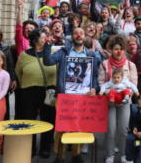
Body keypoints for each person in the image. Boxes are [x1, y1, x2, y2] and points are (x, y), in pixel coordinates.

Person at [43, 27, 102, 163]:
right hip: (64, 96)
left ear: (85, 36)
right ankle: (60, 156)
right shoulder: (64, 52)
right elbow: (48, 62)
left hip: (83, 96)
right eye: (76, 33)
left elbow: (94, 76)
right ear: (72, 36)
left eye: (81, 33)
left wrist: (94, 88)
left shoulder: (91, 55)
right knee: (62, 126)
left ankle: (76, 154)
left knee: (79, 126)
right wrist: (47, 45)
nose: (79, 35)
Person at [15, 29, 56, 158]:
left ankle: (45, 147)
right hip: (29, 91)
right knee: (29, 119)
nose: (46, 39)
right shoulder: (24, 55)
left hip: (49, 90)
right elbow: (18, 73)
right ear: (34, 40)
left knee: (48, 120)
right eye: (43, 38)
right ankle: (30, 147)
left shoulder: (53, 52)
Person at [98, 35, 138, 163]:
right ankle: (109, 155)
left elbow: (133, 83)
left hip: (125, 101)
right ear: (110, 49)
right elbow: (101, 82)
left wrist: (127, 93)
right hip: (110, 101)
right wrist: (110, 92)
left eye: (121, 49)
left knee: (123, 130)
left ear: (124, 49)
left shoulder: (131, 65)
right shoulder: (104, 64)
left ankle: (123, 156)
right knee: (111, 129)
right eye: (115, 49)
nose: (118, 51)